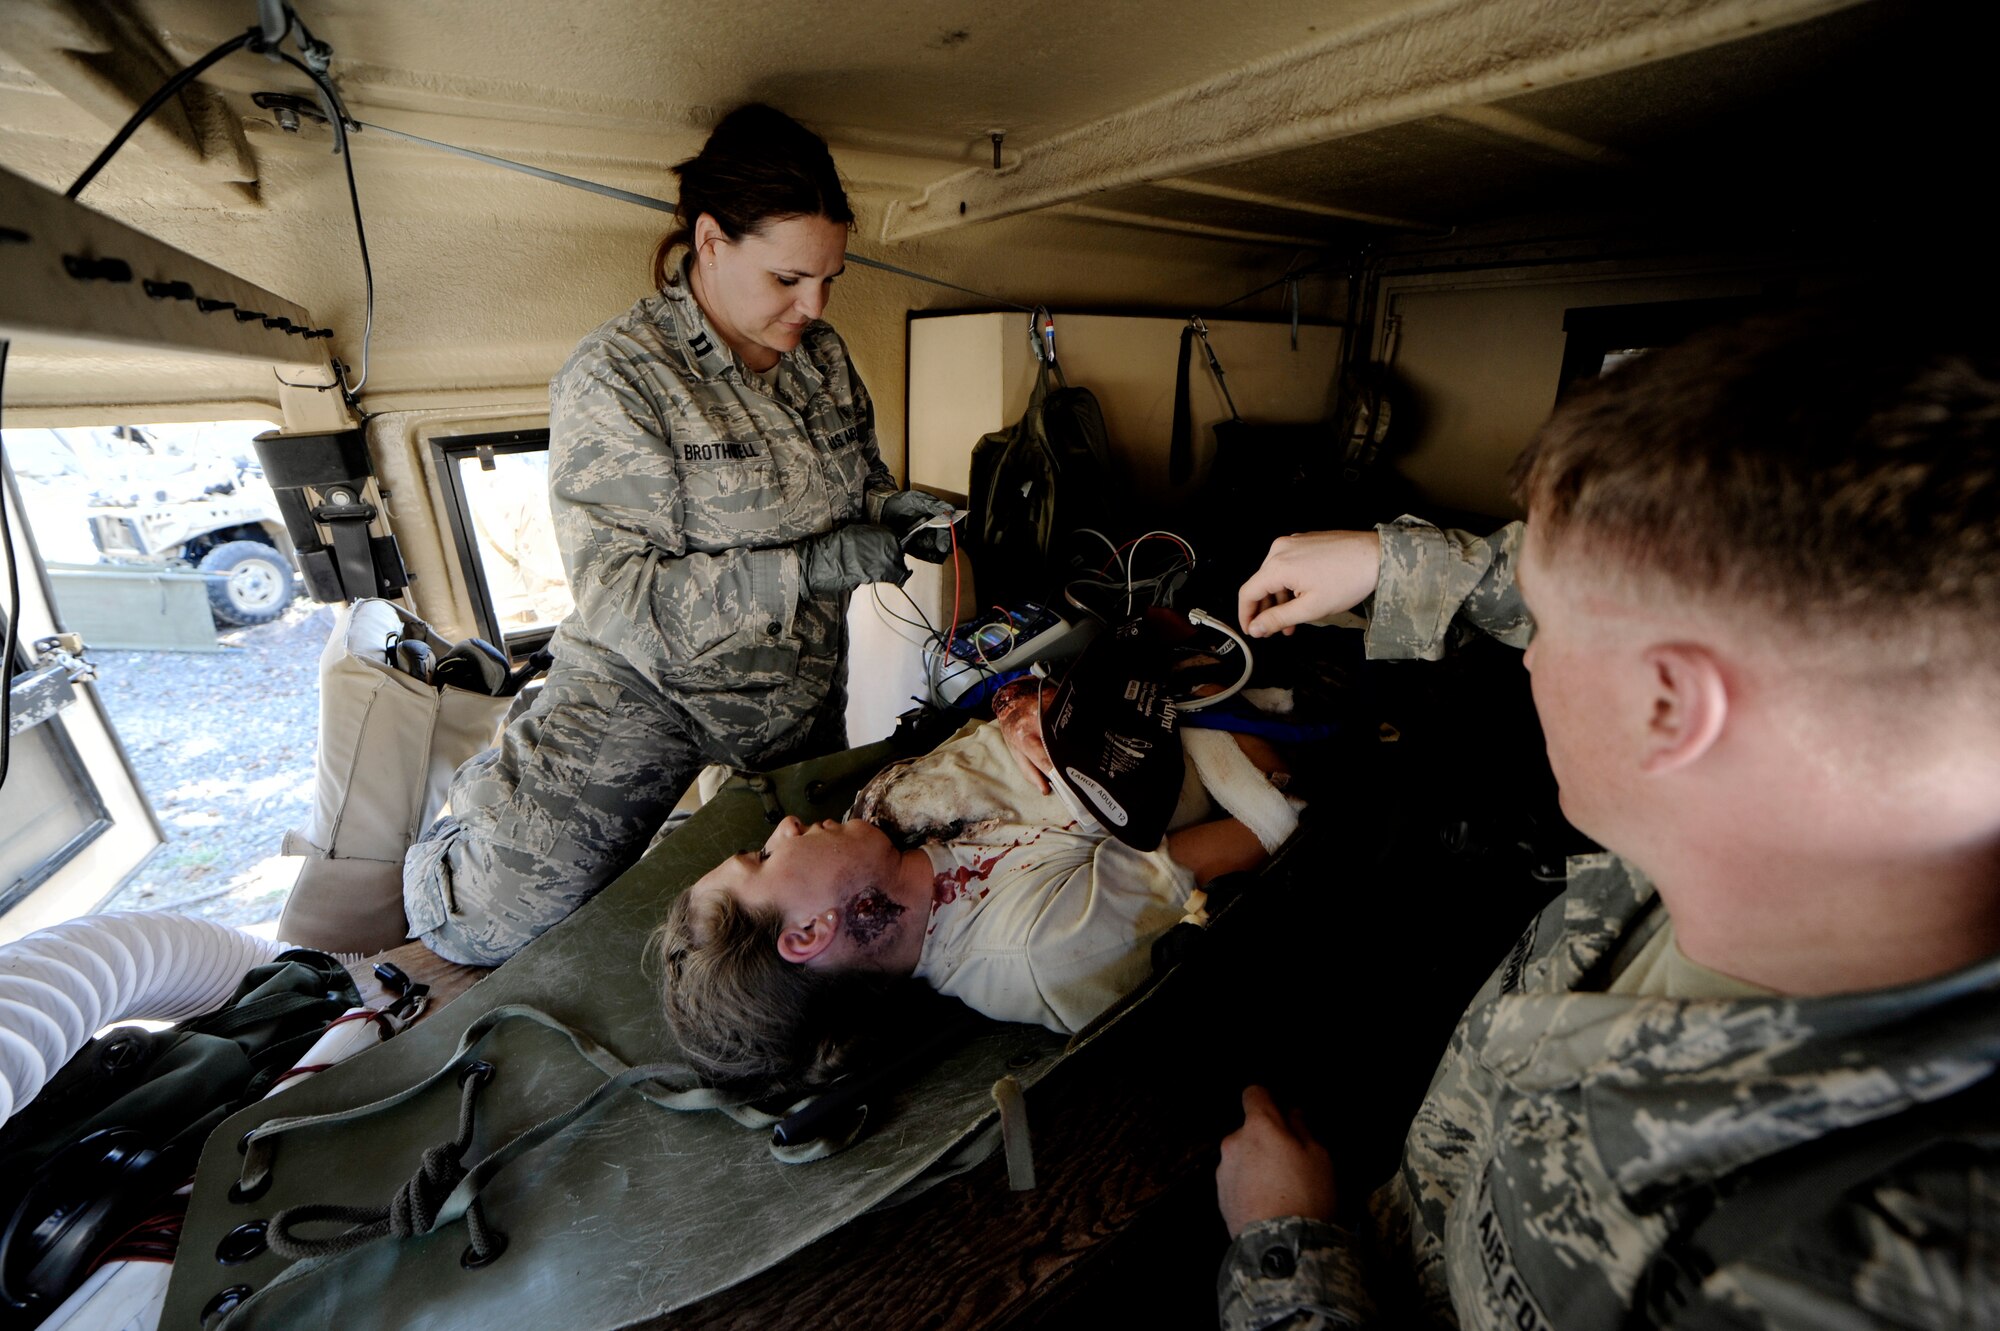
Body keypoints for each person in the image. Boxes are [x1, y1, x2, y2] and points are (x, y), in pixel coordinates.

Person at [1212, 300, 2000, 1329]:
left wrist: (1286, 1250)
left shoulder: (1836, 1272)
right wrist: (1392, 563)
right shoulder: (1815, 806)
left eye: (1548, 623)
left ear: (1672, 705)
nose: (1527, 650)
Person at [404, 104, 956, 967]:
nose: (811, 305)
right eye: (786, 279)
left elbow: (859, 484)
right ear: (709, 240)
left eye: (829, 279)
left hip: (793, 692)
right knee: (484, 923)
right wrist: (808, 568)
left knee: (838, 933)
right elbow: (622, 596)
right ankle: (491, 792)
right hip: (645, 687)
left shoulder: (824, 358)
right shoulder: (620, 378)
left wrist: (889, 513)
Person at [658, 708, 1294, 1090]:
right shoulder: (1039, 949)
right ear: (807, 934)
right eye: (763, 859)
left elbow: (998, 725)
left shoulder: (877, 813)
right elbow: (1265, 820)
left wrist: (1023, 708)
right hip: (1255, 722)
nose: (784, 829)